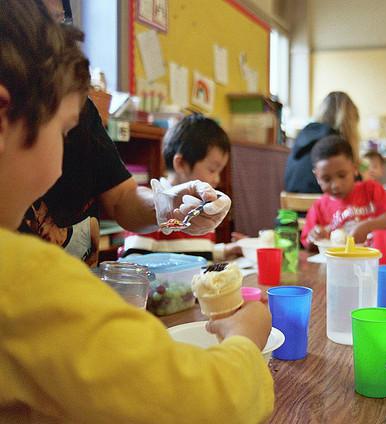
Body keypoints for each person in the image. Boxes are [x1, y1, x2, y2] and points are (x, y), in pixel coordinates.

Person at [0, 2, 273, 422]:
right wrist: (244, 338)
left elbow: (124, 198)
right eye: (64, 129)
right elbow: (208, 401)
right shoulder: (23, 283)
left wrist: (166, 205)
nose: (66, 150)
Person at [18, 0, 228, 268]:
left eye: (59, 24)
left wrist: (166, 203)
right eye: (36, 24)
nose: (53, 42)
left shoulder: (81, 112)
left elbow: (122, 198)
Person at [122, 114, 242, 261]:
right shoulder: (150, 210)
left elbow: (197, 253)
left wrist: (226, 250)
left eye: (220, 171)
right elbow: (132, 262)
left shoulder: (201, 207)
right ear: (181, 164)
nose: (217, 179)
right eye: (212, 169)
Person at [300, 135, 386, 251]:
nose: (336, 185)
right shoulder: (319, 207)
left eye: (342, 175)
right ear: (317, 177)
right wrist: (315, 237)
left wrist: (367, 226)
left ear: (354, 168)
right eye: (326, 179)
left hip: (373, 261)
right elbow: (308, 244)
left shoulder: (370, 189)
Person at [284, 91, 360, 193]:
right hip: (321, 205)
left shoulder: (303, 137)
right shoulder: (336, 146)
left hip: (293, 206)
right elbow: (350, 184)